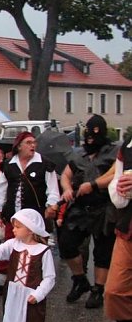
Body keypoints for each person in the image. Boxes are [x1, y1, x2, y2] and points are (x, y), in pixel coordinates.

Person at [0, 131, 60, 295]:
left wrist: (51, 204)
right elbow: (2, 188)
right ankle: (3, 282)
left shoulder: (44, 164)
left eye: (34, 142)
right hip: (13, 216)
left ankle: (36, 282)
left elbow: (53, 188)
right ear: (19, 146)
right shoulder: (9, 165)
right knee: (10, 247)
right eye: (28, 142)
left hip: (35, 217)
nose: (33, 145)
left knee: (35, 250)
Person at [57, 115, 118, 309]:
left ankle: (98, 290)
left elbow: (116, 174)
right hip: (80, 208)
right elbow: (66, 175)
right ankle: (80, 280)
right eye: (88, 135)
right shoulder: (79, 153)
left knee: (103, 251)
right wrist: (67, 188)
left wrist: (93, 185)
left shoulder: (114, 152)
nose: (90, 139)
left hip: (104, 207)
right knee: (67, 242)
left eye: (94, 135)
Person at [105, 137, 132, 322]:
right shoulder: (128, 146)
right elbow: (116, 184)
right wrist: (121, 190)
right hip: (128, 229)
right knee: (114, 293)